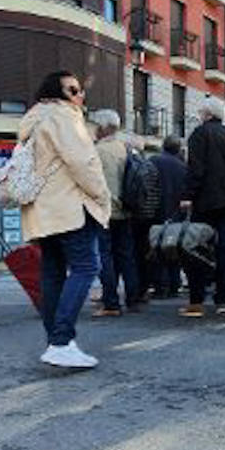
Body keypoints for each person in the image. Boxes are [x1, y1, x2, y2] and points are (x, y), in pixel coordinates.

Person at [18, 70, 111, 368]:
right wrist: (102, 196)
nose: (80, 95)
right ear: (56, 94)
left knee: (53, 273)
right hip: (69, 207)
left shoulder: (33, 119)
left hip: (44, 212)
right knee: (87, 266)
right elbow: (82, 161)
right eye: (73, 90)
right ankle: (60, 341)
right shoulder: (63, 117)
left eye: (80, 90)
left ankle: (58, 342)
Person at [181, 97, 225, 317]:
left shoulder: (200, 134)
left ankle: (196, 300)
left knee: (196, 248)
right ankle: (222, 300)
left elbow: (195, 168)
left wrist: (188, 195)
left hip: (204, 201)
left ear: (206, 114)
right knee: (224, 249)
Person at [92, 109, 139, 316]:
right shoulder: (125, 149)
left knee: (106, 256)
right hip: (126, 209)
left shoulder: (97, 151)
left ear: (103, 128)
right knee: (127, 256)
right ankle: (133, 299)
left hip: (105, 211)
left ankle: (111, 302)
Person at [149, 135, 188, 298]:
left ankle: (159, 285)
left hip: (155, 211)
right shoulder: (183, 167)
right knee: (173, 248)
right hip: (175, 213)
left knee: (155, 249)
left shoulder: (153, 161)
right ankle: (174, 284)